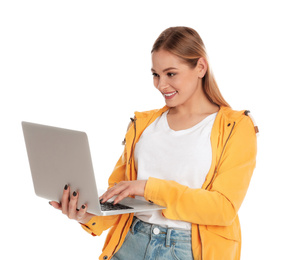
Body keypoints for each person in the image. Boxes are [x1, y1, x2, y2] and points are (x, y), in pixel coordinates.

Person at [50, 26, 258, 260]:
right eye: (155, 74)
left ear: (200, 67)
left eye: (170, 74)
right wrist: (85, 215)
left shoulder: (236, 127)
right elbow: (120, 201)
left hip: (186, 251)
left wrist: (148, 188)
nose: (161, 85)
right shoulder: (143, 125)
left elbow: (223, 209)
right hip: (130, 243)